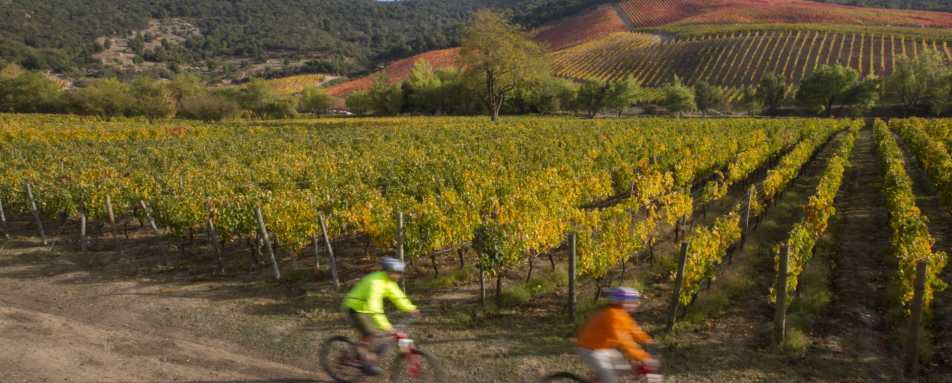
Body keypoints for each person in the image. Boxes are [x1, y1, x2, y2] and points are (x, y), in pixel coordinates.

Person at [342, 257, 419, 376]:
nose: (399, 275)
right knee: (371, 332)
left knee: (383, 334)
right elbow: (375, 306)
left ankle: (366, 355)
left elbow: (398, 297)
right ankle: (364, 360)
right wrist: (386, 326)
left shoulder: (389, 281)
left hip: (366, 308)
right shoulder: (376, 282)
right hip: (355, 307)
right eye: (397, 272)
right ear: (389, 271)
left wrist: (411, 308)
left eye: (400, 273)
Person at [575, 287, 659, 383]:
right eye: (635, 301)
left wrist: (647, 340)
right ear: (624, 302)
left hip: (603, 348)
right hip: (590, 349)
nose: (637, 304)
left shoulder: (622, 315)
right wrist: (644, 357)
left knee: (624, 367)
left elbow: (634, 331)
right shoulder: (613, 316)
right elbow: (624, 340)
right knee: (610, 380)